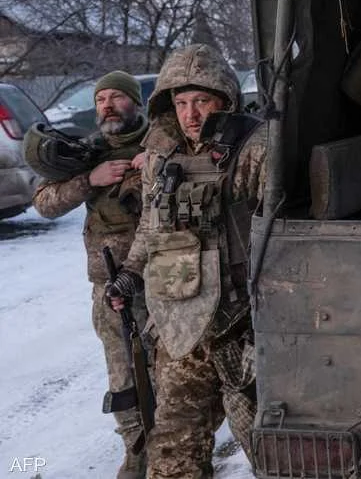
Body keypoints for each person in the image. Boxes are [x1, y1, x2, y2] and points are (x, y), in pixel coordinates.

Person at [106, 44, 266, 478]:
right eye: (180, 103)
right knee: (173, 450)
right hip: (182, 325)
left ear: (225, 100)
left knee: (268, 448)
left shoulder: (256, 148)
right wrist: (130, 274)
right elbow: (151, 226)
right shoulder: (161, 155)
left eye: (202, 101)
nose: (190, 114)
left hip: (243, 327)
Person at [29, 71, 151, 479]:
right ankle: (136, 452)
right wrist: (89, 180)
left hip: (164, 279)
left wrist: (152, 166)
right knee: (123, 375)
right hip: (109, 286)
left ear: (136, 102)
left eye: (117, 97)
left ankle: (173, 446)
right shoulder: (86, 151)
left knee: (170, 371)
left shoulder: (160, 144)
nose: (108, 106)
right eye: (101, 99)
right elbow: (44, 203)